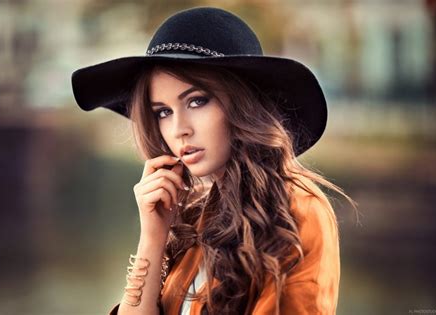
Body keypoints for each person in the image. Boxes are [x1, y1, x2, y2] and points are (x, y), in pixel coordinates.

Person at [71, 7, 357, 315]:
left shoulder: (297, 210)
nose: (179, 129)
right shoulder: (195, 217)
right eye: (162, 112)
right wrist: (152, 238)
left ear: (242, 105)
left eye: (197, 101)